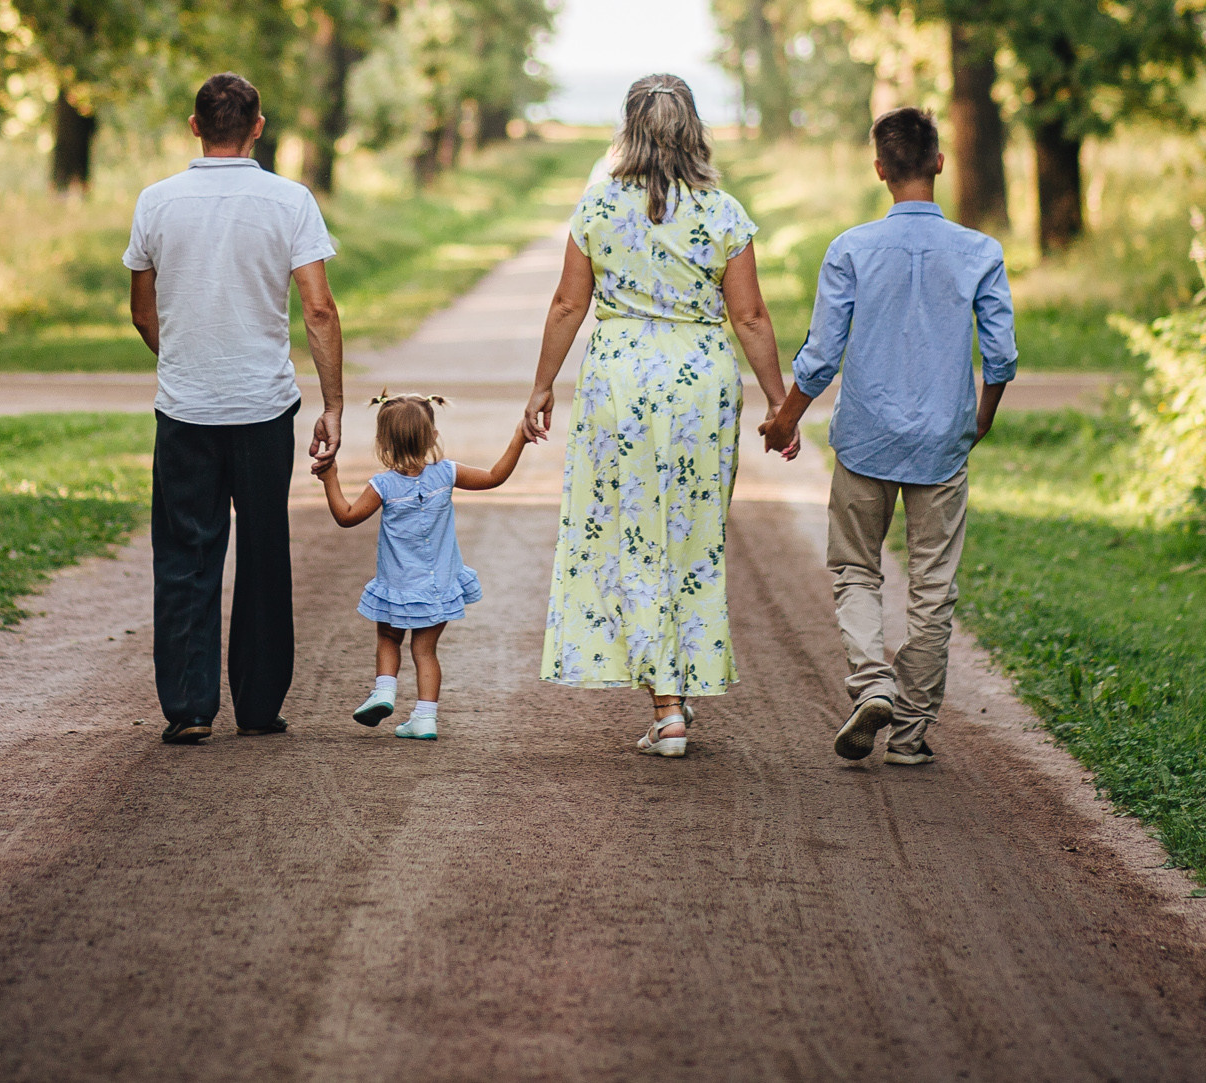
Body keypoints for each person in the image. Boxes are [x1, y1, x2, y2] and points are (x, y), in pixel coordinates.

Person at [526, 73, 797, 759]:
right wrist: (779, 402)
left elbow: (566, 305)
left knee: (634, 534)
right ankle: (678, 690)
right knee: (691, 534)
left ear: (629, 129)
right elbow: (750, 315)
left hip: (619, 381)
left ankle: (668, 706)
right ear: (694, 129)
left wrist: (542, 386)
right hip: (700, 382)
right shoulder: (724, 213)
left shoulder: (595, 208)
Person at [756, 106, 1017, 767]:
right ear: (937, 162)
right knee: (933, 586)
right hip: (941, 443)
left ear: (879, 169)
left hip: (866, 438)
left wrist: (786, 418)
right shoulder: (981, 252)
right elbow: (1002, 353)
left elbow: (820, 355)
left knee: (854, 568)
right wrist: (980, 417)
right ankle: (909, 733)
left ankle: (872, 682)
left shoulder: (850, 249)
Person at [125, 72, 345, 745]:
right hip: (262, 408)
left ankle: (190, 706)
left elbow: (142, 306)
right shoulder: (290, 200)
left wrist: (182, 358)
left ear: (194, 125)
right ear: (258, 125)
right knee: (263, 550)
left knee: (187, 552)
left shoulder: (156, 202)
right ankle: (257, 704)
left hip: (185, 409)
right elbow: (318, 308)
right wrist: (333, 404)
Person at [312, 392, 529, 741]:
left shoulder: (383, 485)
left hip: (398, 585)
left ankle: (384, 690)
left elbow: (346, 517)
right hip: (438, 586)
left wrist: (330, 478)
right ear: (431, 436)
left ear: (383, 441)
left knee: (388, 637)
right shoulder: (446, 474)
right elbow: (494, 476)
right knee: (425, 651)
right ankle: (425, 718)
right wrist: (519, 435)